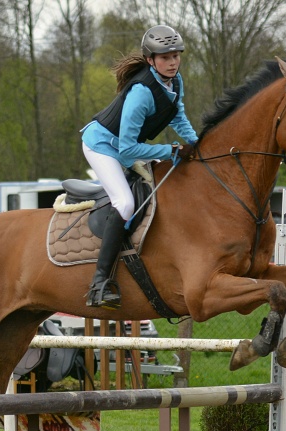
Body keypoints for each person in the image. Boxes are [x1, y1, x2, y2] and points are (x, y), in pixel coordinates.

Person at [79, 24, 199, 309]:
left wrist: (198, 143)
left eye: (175, 56)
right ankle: (98, 284)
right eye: (165, 57)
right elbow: (127, 149)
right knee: (124, 203)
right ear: (150, 60)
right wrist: (170, 151)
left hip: (123, 145)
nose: (172, 63)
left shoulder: (175, 82)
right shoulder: (141, 93)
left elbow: (177, 116)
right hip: (101, 145)